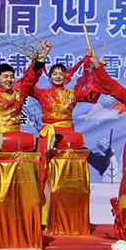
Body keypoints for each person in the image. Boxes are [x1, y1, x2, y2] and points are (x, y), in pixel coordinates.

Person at [0, 37, 50, 243]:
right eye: (5, 76)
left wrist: (44, 54)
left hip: (15, 146)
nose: (9, 79)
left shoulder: (19, 94)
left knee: (14, 187)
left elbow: (30, 77)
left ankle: (13, 227)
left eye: (11, 76)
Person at [30, 50, 99, 189]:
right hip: (48, 134)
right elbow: (28, 85)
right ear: (50, 77)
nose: (58, 76)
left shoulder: (72, 94)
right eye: (54, 74)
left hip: (66, 134)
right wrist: (37, 63)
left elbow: (92, 95)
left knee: (65, 166)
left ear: (66, 77)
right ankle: (43, 198)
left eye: (61, 74)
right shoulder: (42, 93)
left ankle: (65, 196)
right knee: (45, 166)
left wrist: (97, 71)